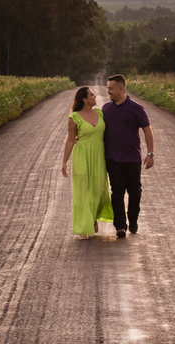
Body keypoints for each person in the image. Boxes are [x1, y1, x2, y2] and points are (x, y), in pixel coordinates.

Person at [102, 74, 154, 238]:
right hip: (112, 158)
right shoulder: (105, 109)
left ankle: (133, 220)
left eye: (111, 88)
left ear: (121, 88)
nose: (108, 91)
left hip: (132, 158)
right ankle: (120, 226)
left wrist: (150, 153)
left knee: (135, 191)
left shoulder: (136, 108)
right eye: (108, 88)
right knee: (117, 191)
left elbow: (147, 130)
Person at [60, 86, 114, 239]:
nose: (95, 96)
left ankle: (93, 217)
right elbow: (70, 140)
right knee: (83, 192)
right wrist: (64, 162)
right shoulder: (74, 117)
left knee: (98, 189)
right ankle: (84, 227)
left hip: (99, 157)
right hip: (82, 157)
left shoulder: (100, 113)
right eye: (91, 94)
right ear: (84, 99)